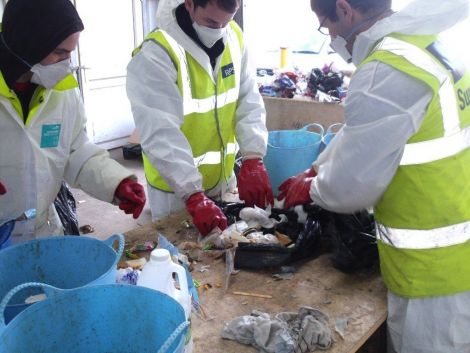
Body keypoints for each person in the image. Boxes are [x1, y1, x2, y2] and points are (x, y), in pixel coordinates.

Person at [278, 0, 470, 352]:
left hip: (435, 273)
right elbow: (371, 133)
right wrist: (317, 167)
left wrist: (313, 188)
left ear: (345, 9)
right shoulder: (426, 43)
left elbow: (352, 189)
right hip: (458, 253)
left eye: (327, 25)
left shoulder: (385, 70)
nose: (332, 37)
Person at [0, 0, 146, 243]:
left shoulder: (62, 89)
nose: (66, 64)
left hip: (42, 232)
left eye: (70, 52)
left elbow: (75, 150)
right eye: (59, 52)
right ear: (28, 43)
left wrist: (116, 183)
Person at [126, 0, 273, 236]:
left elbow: (248, 99)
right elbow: (161, 133)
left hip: (223, 182)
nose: (219, 30)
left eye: (227, 21)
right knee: (185, 259)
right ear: (190, 4)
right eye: (211, 22)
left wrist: (253, 157)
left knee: (229, 254)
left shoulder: (234, 37)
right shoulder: (157, 53)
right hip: (177, 191)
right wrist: (193, 195)